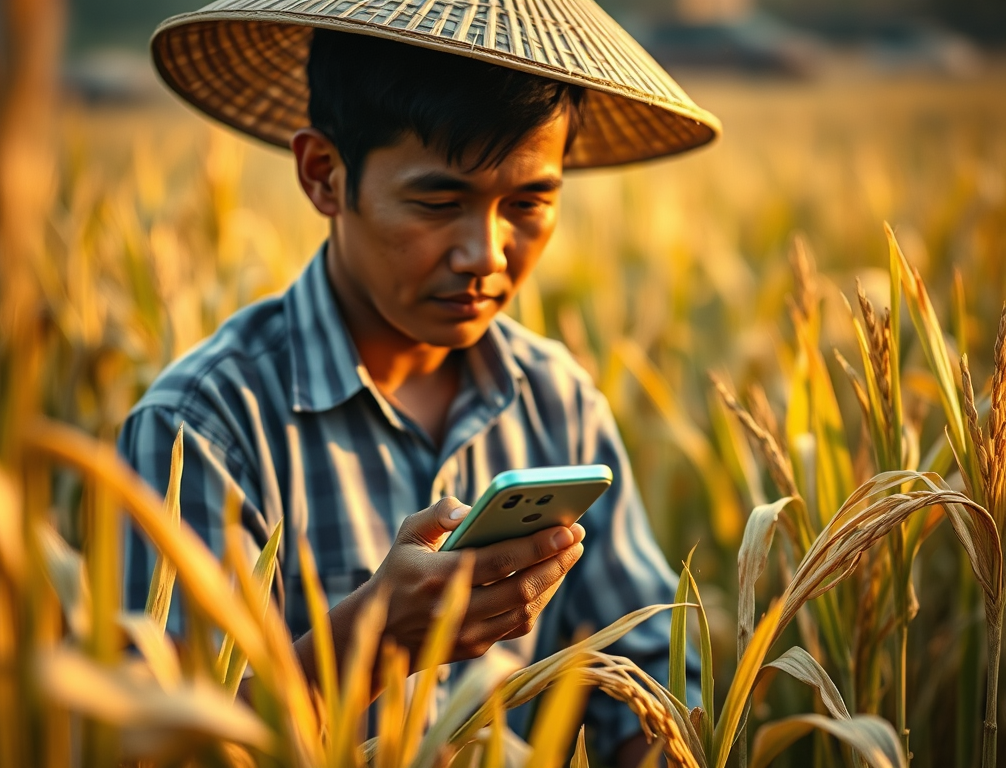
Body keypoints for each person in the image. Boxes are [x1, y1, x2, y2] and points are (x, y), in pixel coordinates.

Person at [121, 3, 720, 765]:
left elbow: (655, 677)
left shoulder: (557, 401)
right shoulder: (203, 428)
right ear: (324, 175)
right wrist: (373, 640)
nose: (485, 254)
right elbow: (164, 741)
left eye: (529, 204)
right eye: (439, 204)